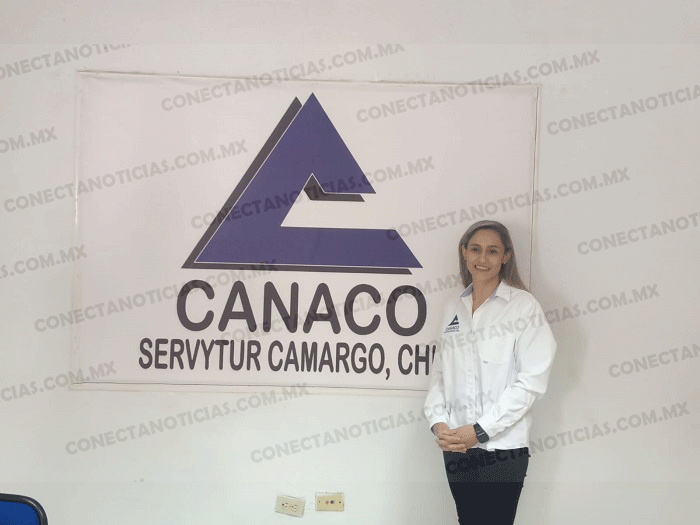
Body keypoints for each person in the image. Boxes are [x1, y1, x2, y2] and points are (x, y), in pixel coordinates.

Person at [424, 220, 557, 525]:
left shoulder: (523, 307)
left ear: (506, 256)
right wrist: (438, 423)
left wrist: (480, 430)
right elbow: (440, 375)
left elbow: (531, 382)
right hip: (457, 446)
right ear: (464, 252)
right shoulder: (453, 307)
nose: (482, 258)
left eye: (492, 251)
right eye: (475, 249)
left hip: (502, 448)